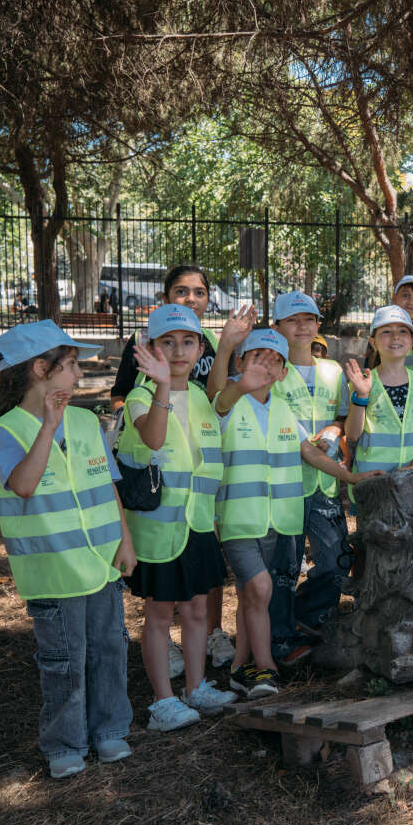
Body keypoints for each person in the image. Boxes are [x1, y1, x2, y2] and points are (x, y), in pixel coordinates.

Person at [0, 321, 136, 779]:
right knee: (64, 661)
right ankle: (65, 744)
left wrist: (125, 540)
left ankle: (110, 731)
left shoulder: (86, 422)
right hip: (53, 571)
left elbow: (108, 486)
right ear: (40, 369)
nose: (79, 374)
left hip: (102, 563)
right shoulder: (3, 432)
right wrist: (48, 426)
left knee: (109, 648)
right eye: (71, 364)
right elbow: (25, 485)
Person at [212, 328, 379, 699]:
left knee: (252, 595)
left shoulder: (283, 409)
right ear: (240, 362)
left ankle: (240, 668)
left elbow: (310, 452)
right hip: (240, 520)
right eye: (257, 357)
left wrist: (351, 477)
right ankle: (266, 668)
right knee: (261, 588)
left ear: (284, 372)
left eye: (275, 360)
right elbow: (221, 401)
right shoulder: (230, 401)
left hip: (278, 521)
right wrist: (230, 363)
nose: (266, 365)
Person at [113, 264, 246, 670]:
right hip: (158, 527)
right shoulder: (142, 393)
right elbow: (151, 435)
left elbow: (218, 405)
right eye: (168, 343)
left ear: (200, 348)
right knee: (159, 609)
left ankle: (198, 677)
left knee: (196, 605)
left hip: (197, 521)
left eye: (188, 342)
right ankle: (164, 686)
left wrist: (231, 350)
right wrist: (161, 386)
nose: (179, 351)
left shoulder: (205, 388)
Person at [270, 291, 351, 656]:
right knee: (284, 568)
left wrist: (335, 429)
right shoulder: (271, 371)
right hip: (285, 484)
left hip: (324, 483)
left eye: (309, 319)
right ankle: (279, 639)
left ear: (319, 324)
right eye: (292, 320)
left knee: (337, 560)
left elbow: (342, 416)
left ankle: (307, 618)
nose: (302, 326)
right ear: (277, 327)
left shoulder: (333, 371)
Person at [345, 305, 413, 480]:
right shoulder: (362, 382)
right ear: (373, 342)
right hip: (371, 480)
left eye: (403, 331)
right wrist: (362, 395)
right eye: (386, 331)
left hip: (411, 480)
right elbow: (352, 434)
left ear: (412, 340)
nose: (395, 337)